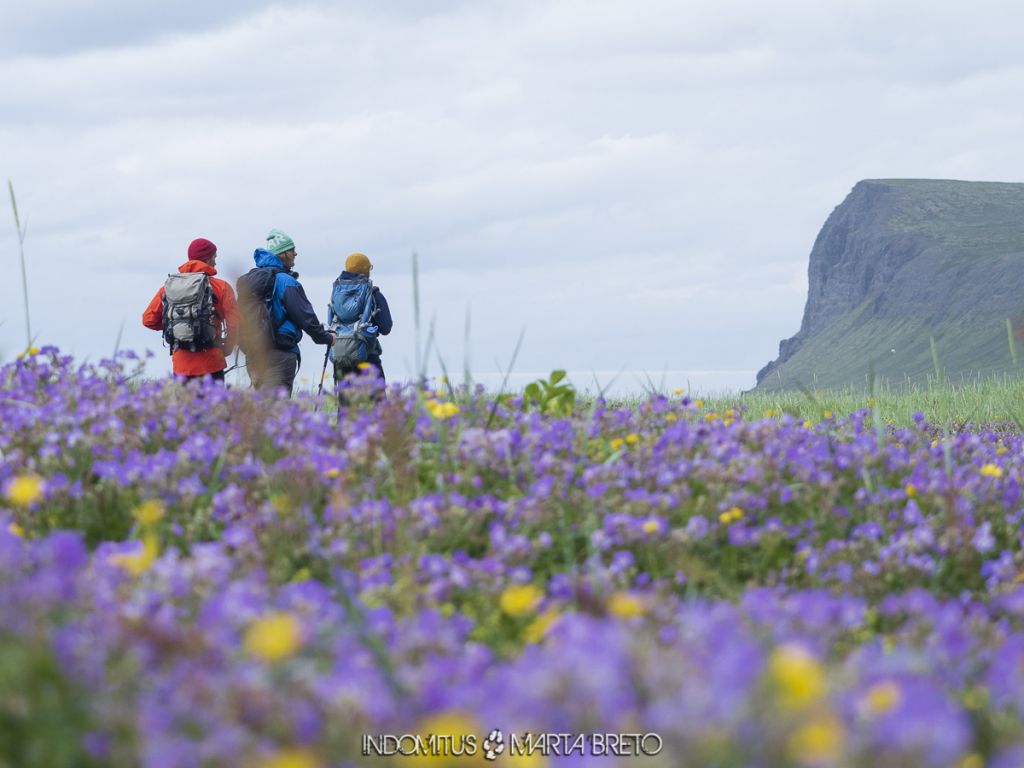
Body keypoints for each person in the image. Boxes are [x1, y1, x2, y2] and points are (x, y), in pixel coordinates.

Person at [241, 228, 334, 396]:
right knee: (277, 413)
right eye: (292, 250)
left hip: (254, 355)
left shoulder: (251, 280)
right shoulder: (286, 281)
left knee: (261, 408)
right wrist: (326, 337)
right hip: (280, 354)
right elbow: (306, 317)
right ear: (282, 253)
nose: (295, 254)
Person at [142, 237, 239, 383]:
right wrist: (229, 347)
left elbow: (148, 319)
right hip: (212, 362)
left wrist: (176, 325)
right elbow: (235, 323)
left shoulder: (169, 288)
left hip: (181, 366)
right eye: (214, 257)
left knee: (186, 406)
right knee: (214, 407)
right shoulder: (221, 287)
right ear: (207, 258)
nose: (215, 262)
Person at [328, 252, 393, 407]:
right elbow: (386, 327)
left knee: (346, 413)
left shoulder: (336, 292)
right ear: (366, 270)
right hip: (368, 360)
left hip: (341, 359)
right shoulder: (373, 293)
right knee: (376, 412)